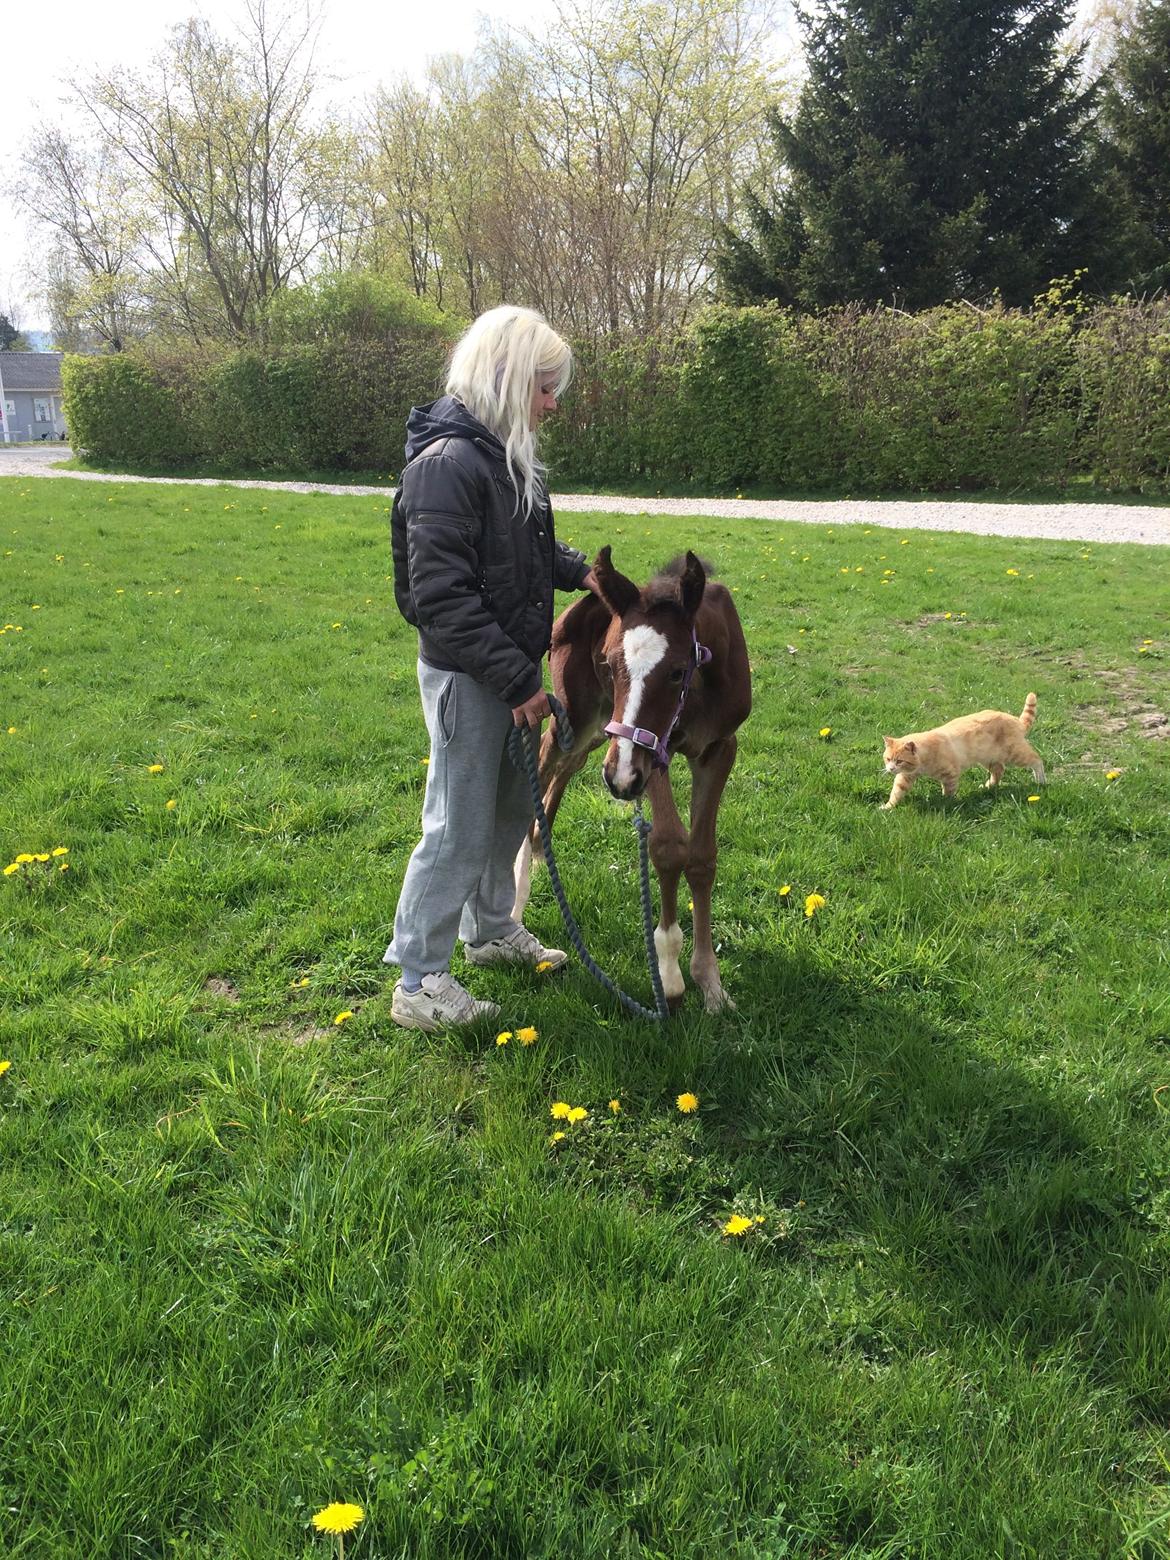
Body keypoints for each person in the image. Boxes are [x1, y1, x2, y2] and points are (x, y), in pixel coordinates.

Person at [385, 304, 598, 1032]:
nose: (551, 404)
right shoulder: (446, 465)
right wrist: (518, 680)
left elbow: (526, 554)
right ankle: (418, 980)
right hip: (470, 677)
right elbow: (439, 597)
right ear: (505, 378)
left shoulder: (504, 455)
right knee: (458, 826)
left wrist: (582, 573)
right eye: (543, 387)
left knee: (512, 805)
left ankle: (491, 930)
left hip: (509, 674)